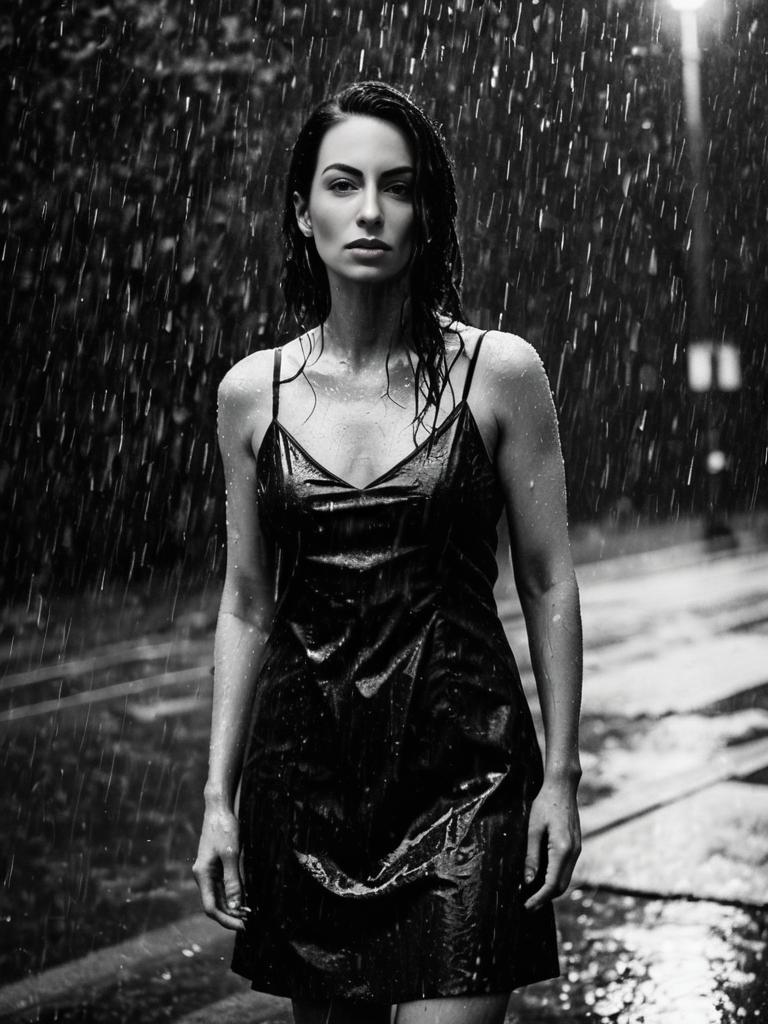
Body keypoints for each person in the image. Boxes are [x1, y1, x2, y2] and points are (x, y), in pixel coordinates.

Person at [193, 80, 583, 1024]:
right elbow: (247, 601)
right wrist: (217, 797)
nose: (370, 211)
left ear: (425, 212)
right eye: (343, 183)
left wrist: (562, 777)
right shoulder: (254, 394)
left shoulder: (501, 371)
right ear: (303, 209)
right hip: (309, 788)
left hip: (467, 779)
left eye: (397, 187)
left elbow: (547, 579)